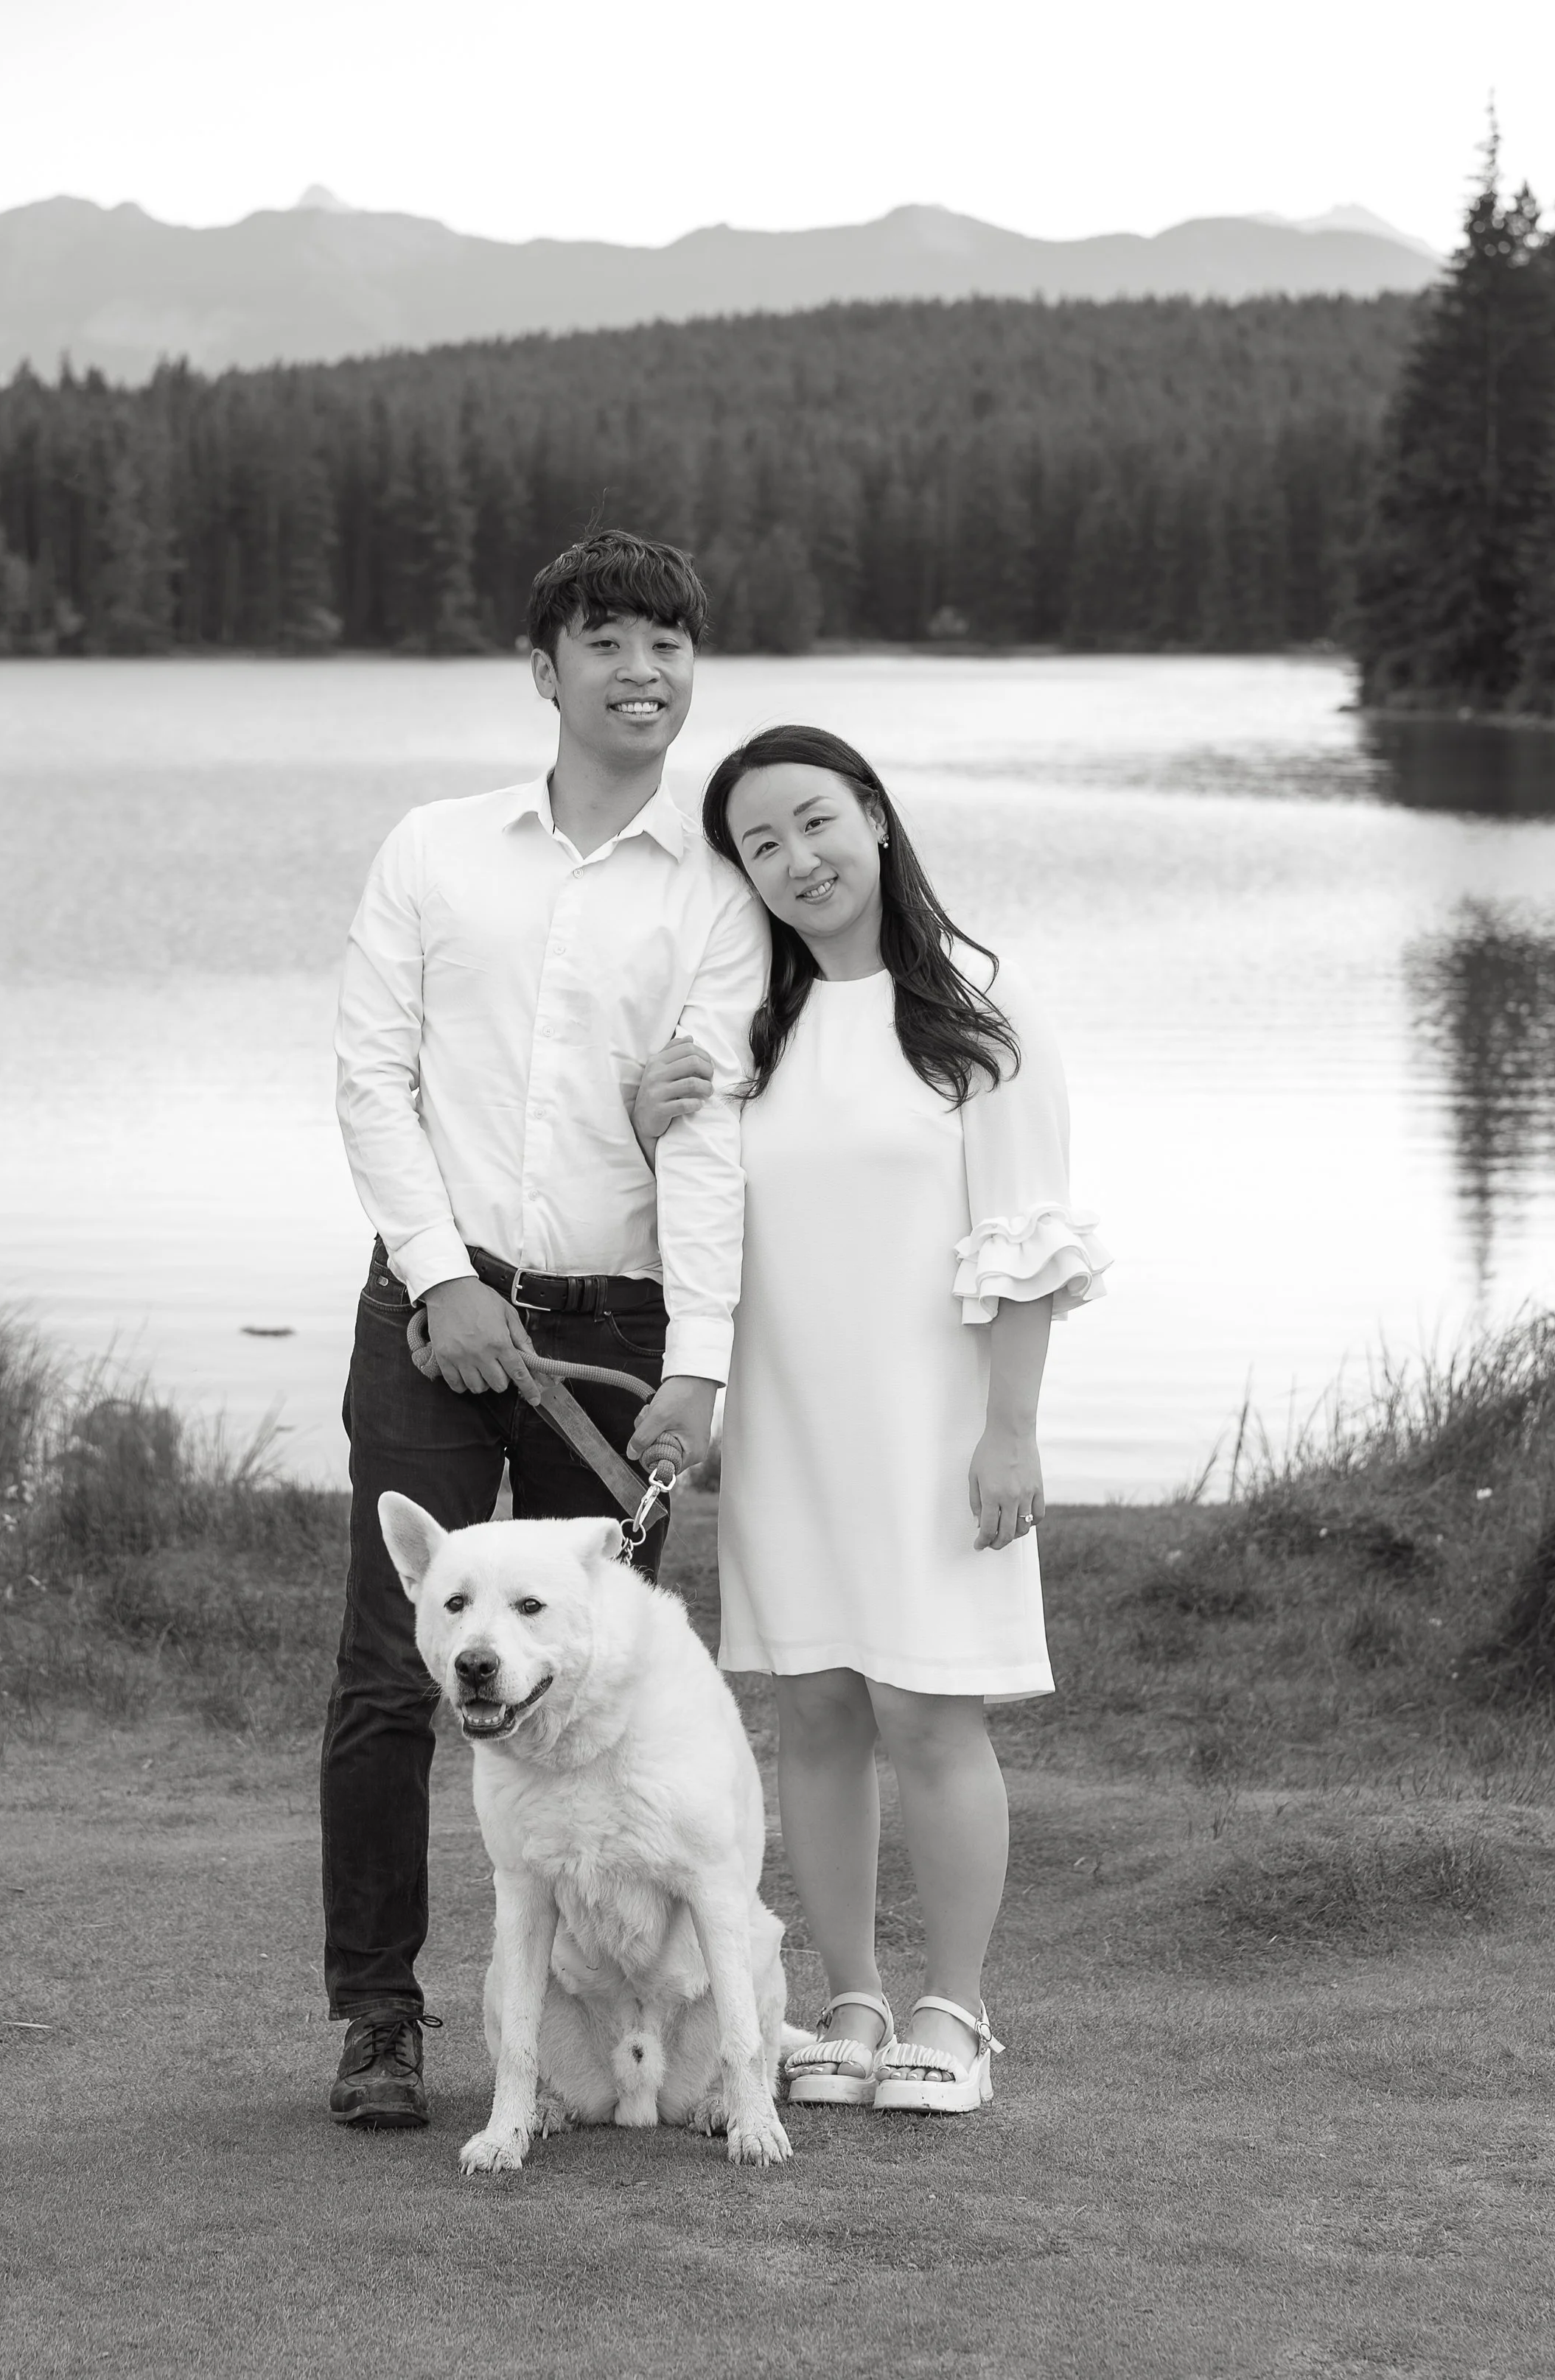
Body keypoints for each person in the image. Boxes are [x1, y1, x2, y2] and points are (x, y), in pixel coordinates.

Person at [323, 530, 769, 2130]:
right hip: (431, 1309)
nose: (644, 672)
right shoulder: (435, 850)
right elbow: (371, 1076)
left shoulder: (718, 894)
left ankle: (641, 2030)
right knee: (397, 1670)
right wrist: (439, 1274)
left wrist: (700, 1363)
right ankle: (379, 2021)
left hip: (616, 1328)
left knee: (610, 1680)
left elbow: (705, 1134)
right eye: (609, 643)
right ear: (544, 668)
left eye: (668, 644)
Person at [630, 724, 1108, 2115]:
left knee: (930, 1709)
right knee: (817, 1706)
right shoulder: (749, 1040)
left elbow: (1025, 1246)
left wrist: (1010, 1427)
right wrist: (646, 1109)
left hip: (936, 1423)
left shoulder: (977, 1027)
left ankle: (953, 2016)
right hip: (788, 1423)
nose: (796, 860)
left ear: (877, 821)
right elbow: (698, 1203)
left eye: (814, 821)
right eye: (760, 845)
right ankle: (846, 1997)